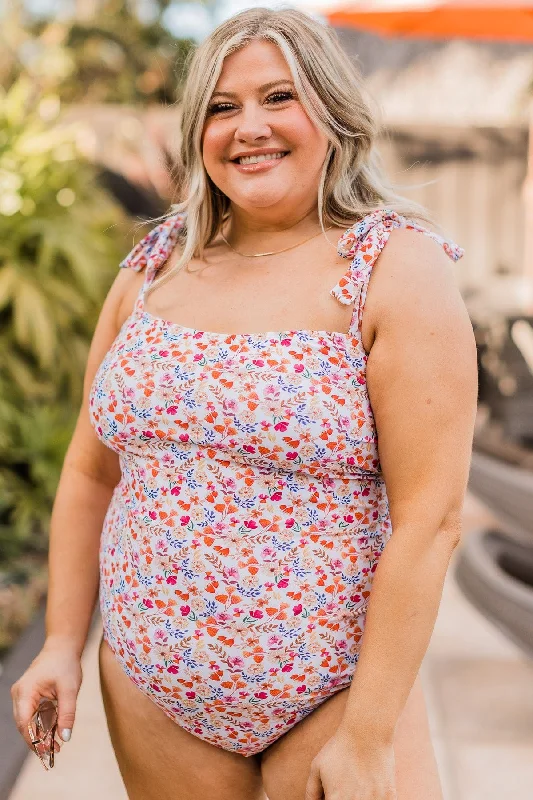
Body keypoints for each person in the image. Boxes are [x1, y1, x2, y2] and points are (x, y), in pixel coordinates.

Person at [11, 8, 478, 800]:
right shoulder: (154, 267)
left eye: (278, 97)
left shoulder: (393, 268)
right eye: (222, 107)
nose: (248, 127)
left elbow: (429, 518)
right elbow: (92, 472)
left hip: (332, 692)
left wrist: (367, 734)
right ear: (197, 130)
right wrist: (60, 641)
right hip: (150, 686)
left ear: (331, 111)